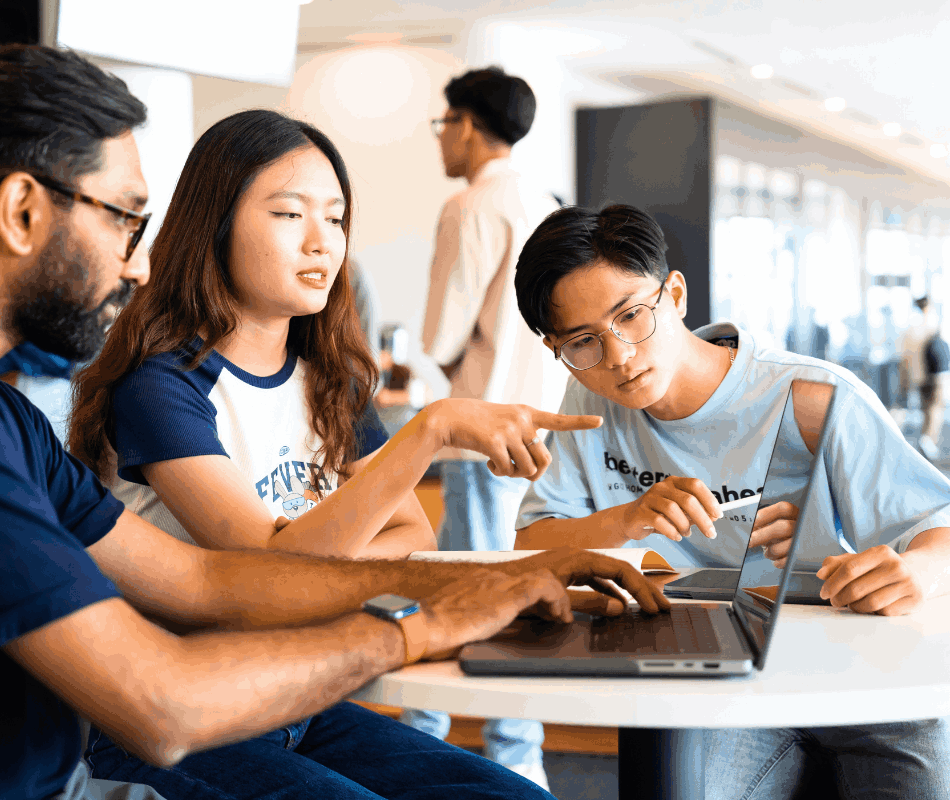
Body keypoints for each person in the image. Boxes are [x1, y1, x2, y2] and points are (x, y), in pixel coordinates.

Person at [0, 45, 671, 800]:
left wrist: (491, 580)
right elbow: (160, 704)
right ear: (24, 210)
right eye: (122, 219)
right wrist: (418, 623)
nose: (139, 264)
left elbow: (202, 580)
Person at [66, 108, 613, 797]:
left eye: (337, 217)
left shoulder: (331, 377)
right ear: (217, 222)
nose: (323, 243)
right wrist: (430, 430)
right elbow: (262, 574)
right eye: (290, 215)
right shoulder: (163, 384)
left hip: (301, 698)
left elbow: (412, 534)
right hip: (180, 720)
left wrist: (315, 559)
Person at [511, 203, 950, 800]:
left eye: (632, 316)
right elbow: (532, 544)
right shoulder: (590, 404)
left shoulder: (811, 396)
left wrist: (919, 568)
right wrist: (626, 519)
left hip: (858, 668)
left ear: (675, 294)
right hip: (720, 677)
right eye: (582, 342)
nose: (617, 357)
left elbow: (937, 520)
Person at [408, 65, 569, 786]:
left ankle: (442, 754)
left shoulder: (471, 205)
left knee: (468, 593)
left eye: (444, 123)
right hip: (542, 430)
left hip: (480, 432)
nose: (442, 139)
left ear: (468, 124)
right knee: (517, 586)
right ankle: (519, 763)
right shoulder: (544, 200)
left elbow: (442, 336)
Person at [899, 296, 949, 460]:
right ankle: (928, 440)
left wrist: (905, 379)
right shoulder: (932, 323)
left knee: (926, 409)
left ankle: (926, 441)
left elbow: (905, 357)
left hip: (919, 376)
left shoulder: (910, 328)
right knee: (935, 409)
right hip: (935, 376)